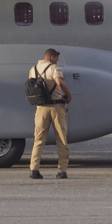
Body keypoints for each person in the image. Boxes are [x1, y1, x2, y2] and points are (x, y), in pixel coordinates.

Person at [28, 48, 71, 180]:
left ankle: (34, 169)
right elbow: (59, 83)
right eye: (56, 58)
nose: (57, 61)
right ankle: (62, 171)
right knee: (61, 139)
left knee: (39, 140)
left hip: (40, 108)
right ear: (51, 57)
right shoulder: (55, 68)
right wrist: (68, 95)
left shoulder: (33, 69)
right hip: (56, 107)